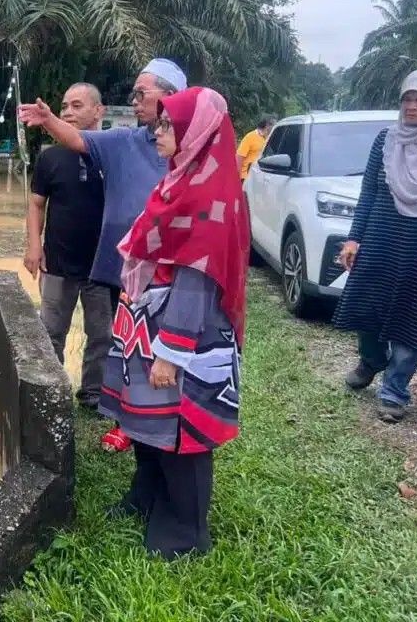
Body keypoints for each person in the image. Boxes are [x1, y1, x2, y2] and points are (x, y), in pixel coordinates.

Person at [100, 86, 248, 559]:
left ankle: (186, 529)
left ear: (196, 131)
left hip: (183, 333)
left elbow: (195, 279)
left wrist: (171, 350)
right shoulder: (179, 179)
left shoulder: (211, 195)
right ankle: (147, 495)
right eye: (158, 123)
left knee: (182, 432)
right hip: (149, 321)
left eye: (168, 125)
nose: (157, 131)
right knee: (146, 420)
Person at [18, 58, 187, 451]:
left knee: (145, 341)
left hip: (170, 269)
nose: (135, 100)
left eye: (142, 93)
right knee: (127, 339)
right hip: (120, 269)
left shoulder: (193, 148)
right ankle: (128, 417)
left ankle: (143, 417)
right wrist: (46, 120)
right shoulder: (123, 143)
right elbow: (74, 146)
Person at [335, 68, 417, 423]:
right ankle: (371, 361)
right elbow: (368, 192)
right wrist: (354, 237)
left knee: (412, 319)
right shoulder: (386, 140)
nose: (412, 107)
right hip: (381, 239)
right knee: (368, 307)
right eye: (407, 99)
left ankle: (394, 391)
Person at [25, 83, 109, 409]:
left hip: (102, 267)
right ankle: (52, 394)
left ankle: (93, 395)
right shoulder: (50, 158)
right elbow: (35, 205)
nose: (67, 112)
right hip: (57, 263)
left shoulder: (112, 155)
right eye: (64, 106)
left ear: (98, 111)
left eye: (76, 106)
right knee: (50, 334)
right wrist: (34, 246)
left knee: (102, 335)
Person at [236, 115, 275, 180]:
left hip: (257, 177)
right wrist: (237, 177)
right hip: (245, 177)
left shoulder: (266, 139)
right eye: (273, 125)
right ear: (267, 125)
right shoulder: (250, 137)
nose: (274, 128)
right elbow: (239, 157)